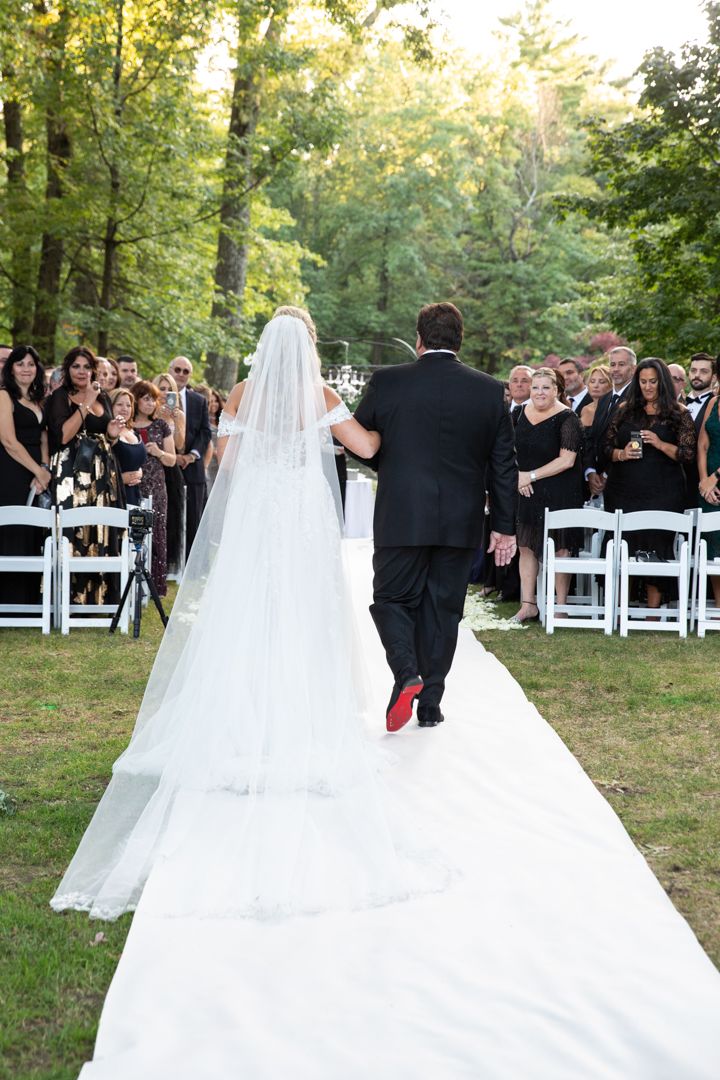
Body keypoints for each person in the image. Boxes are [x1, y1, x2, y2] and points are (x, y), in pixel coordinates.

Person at [50, 309, 439, 926]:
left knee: (248, 609)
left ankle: (238, 716)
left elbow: (224, 463)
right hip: (303, 516)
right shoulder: (323, 394)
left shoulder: (241, 392)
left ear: (264, 347)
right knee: (305, 614)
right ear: (309, 347)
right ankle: (301, 720)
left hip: (261, 512)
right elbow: (366, 447)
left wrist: (264, 457)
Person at [353, 302, 516, 732]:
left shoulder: (388, 382)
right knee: (443, 610)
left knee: (391, 599)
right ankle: (430, 704)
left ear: (419, 337)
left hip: (402, 513)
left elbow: (359, 442)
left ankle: (407, 673)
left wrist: (391, 464)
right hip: (461, 519)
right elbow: (504, 465)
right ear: (460, 340)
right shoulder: (488, 390)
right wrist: (504, 526)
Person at [604, 358, 696, 611]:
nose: (647, 386)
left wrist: (659, 443)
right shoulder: (624, 410)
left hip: (664, 491)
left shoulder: (679, 413)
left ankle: (654, 611)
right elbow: (605, 449)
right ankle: (622, 606)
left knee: (657, 545)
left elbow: (688, 455)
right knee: (625, 544)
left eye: (652, 381)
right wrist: (621, 454)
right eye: (643, 381)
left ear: (662, 382)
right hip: (624, 489)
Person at [45, 346, 125, 606]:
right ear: (67, 370)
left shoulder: (103, 398)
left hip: (102, 477)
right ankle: (69, 600)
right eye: (76, 366)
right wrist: (87, 402)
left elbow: (106, 439)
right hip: (71, 477)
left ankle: (98, 600)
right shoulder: (60, 397)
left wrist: (112, 433)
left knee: (99, 530)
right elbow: (63, 436)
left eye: (86, 366)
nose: (81, 371)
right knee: (74, 531)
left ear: (93, 370)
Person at [514, 367, 584, 623]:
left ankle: (560, 604)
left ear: (556, 390)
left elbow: (566, 460)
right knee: (526, 546)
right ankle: (528, 604)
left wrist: (529, 475)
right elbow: (505, 448)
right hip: (527, 490)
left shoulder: (568, 418)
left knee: (561, 548)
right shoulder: (518, 413)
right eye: (535, 387)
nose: (539, 392)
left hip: (561, 491)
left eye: (545, 387)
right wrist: (517, 476)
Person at [0, 346, 50, 605]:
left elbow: (43, 436)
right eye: (20, 364)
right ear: (11, 368)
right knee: (11, 528)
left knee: (30, 529)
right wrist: (37, 470)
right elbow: (8, 441)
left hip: (35, 473)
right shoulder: (4, 396)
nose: (26, 368)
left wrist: (44, 470)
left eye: (31, 364)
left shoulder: (38, 399)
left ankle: (27, 600)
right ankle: (7, 600)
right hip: (10, 469)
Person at [132, 381, 176, 597]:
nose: (150, 403)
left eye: (153, 399)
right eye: (146, 398)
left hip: (157, 486)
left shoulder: (161, 426)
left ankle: (156, 585)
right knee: (134, 532)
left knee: (158, 531)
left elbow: (172, 460)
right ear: (137, 399)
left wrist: (158, 452)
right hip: (133, 485)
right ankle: (132, 581)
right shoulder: (127, 426)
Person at [584, 346, 637, 507]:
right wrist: (590, 471)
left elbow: (634, 442)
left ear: (633, 369)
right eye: (612, 364)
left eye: (621, 364)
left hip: (625, 481)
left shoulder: (638, 400)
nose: (615, 369)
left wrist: (607, 475)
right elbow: (592, 438)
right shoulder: (604, 399)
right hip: (597, 482)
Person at [168, 356, 211, 554]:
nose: (181, 374)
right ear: (170, 370)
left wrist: (191, 456)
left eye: (186, 371)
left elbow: (205, 432)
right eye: (178, 369)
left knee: (194, 518)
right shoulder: (160, 397)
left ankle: (191, 564)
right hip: (166, 466)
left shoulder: (198, 401)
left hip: (192, 468)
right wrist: (172, 455)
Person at [152, 372, 186, 575]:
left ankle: (168, 563)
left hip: (171, 468)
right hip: (152, 465)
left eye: (169, 389)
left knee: (172, 515)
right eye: (162, 388)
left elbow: (181, 445)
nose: (165, 393)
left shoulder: (179, 414)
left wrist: (175, 422)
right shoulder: (150, 411)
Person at [696, 366, 720, 607]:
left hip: (717, 479)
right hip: (708, 487)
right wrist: (704, 480)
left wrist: (716, 476)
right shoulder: (714, 403)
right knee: (713, 542)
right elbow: (702, 443)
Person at [110, 388, 146, 506]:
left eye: (128, 405)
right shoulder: (108, 432)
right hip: (114, 496)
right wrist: (119, 479)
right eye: (119, 404)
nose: (124, 409)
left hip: (134, 493)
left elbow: (138, 461)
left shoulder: (134, 432)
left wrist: (139, 472)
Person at [205, 387, 226, 494]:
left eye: (216, 401)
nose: (214, 404)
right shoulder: (204, 420)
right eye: (211, 401)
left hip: (223, 461)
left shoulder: (223, 419)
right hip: (210, 460)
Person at [578, 364, 612, 429]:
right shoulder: (585, 409)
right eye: (592, 381)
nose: (595, 385)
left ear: (611, 386)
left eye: (602, 382)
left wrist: (637, 439)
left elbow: (636, 434)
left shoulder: (615, 409)